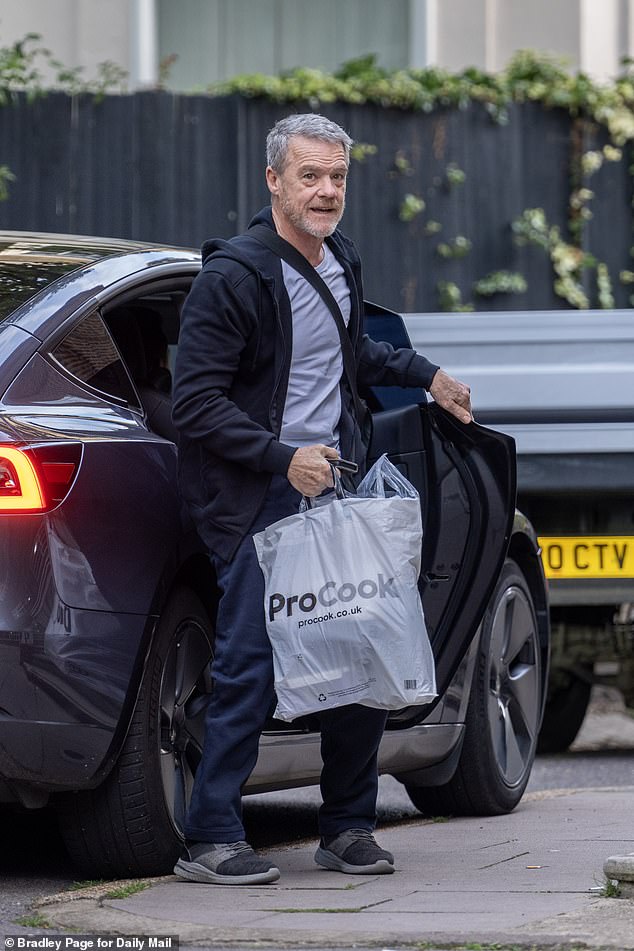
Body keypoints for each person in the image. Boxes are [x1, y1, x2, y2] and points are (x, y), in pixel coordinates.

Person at [171, 113, 472, 886]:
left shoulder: (340, 260)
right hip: (257, 496)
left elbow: (345, 354)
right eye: (310, 176)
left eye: (337, 176)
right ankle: (210, 835)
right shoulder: (233, 278)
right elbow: (194, 403)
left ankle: (346, 827)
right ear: (274, 180)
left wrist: (426, 374)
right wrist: (284, 458)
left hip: (334, 487)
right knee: (250, 662)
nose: (327, 191)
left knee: (360, 651)